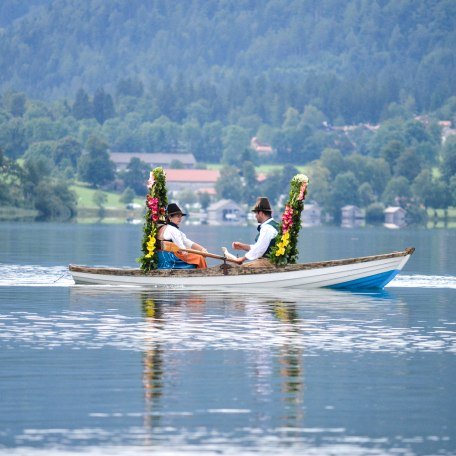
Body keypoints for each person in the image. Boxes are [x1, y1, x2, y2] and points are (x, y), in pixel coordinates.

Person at [156, 203, 207, 269]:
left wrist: (202, 249)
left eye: (180, 216)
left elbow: (187, 242)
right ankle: (203, 273)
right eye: (177, 216)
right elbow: (182, 250)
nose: (180, 218)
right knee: (199, 258)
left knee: (197, 255)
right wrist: (199, 254)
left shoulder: (168, 227)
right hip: (168, 259)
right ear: (170, 217)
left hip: (162, 257)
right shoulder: (172, 229)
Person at [231, 197, 279, 267]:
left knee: (237, 267)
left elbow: (259, 249)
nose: (255, 216)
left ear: (261, 213)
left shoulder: (267, 228)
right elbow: (259, 247)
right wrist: (242, 246)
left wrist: (242, 259)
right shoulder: (272, 225)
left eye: (256, 213)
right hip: (270, 262)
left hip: (268, 263)